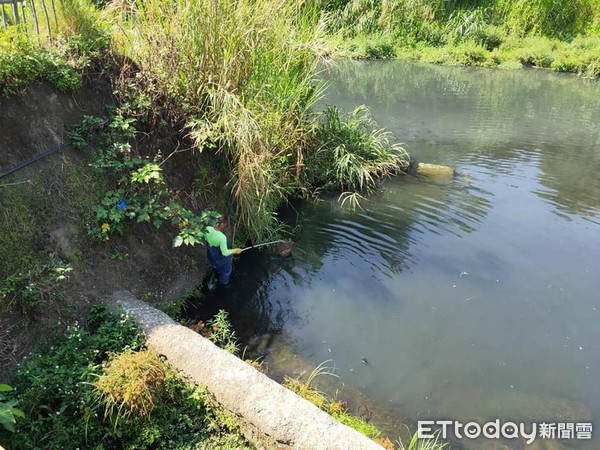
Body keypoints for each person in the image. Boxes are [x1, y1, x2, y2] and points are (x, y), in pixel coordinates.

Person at [204, 214, 242, 286]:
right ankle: (223, 283)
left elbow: (200, 234)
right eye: (225, 224)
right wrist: (236, 250)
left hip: (211, 256)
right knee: (227, 271)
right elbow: (224, 253)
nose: (226, 226)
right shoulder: (222, 237)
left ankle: (216, 271)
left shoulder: (208, 228)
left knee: (216, 267)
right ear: (221, 224)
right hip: (220, 260)